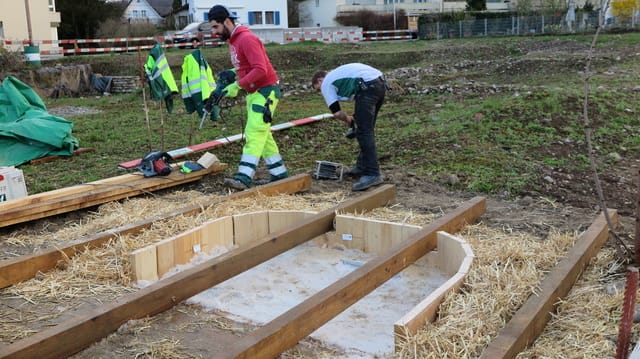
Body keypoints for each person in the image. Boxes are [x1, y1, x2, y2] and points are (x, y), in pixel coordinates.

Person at [207, 5, 288, 190]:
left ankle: (244, 177)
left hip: (266, 92)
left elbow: (261, 69)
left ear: (227, 21)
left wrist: (237, 85)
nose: (214, 32)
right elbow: (247, 66)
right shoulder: (234, 41)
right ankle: (279, 173)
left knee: (254, 133)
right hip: (256, 93)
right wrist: (233, 73)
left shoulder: (246, 39)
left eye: (215, 27)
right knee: (263, 134)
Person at [311, 63, 387, 191]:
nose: (321, 92)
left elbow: (336, 112)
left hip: (367, 87)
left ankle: (372, 174)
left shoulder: (326, 83)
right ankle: (362, 167)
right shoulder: (338, 74)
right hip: (379, 83)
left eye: (318, 89)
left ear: (320, 80)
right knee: (365, 129)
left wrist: (347, 120)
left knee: (364, 132)